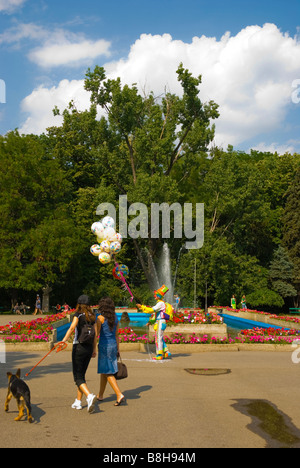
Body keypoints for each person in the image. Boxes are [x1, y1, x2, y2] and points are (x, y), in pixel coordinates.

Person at [62, 294, 97, 413]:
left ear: (79, 304)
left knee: (77, 377)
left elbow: (72, 328)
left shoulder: (78, 314)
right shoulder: (93, 316)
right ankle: (78, 402)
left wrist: (63, 341)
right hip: (88, 348)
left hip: (79, 347)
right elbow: (95, 335)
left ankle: (89, 396)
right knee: (81, 375)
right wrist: (94, 349)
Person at [96, 297, 125, 406]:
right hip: (113, 345)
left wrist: (93, 348)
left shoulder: (100, 318)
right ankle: (100, 395)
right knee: (104, 371)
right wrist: (118, 348)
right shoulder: (115, 318)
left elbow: (96, 334)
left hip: (104, 346)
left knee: (108, 371)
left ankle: (119, 394)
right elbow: (117, 334)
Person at [137, 285, 172, 361]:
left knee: (158, 338)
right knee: (160, 337)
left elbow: (151, 310)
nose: (154, 296)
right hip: (160, 322)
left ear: (159, 296)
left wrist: (142, 307)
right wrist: (150, 322)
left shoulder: (160, 303)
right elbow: (155, 315)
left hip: (160, 322)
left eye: (156, 295)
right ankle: (166, 351)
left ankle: (159, 354)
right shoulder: (161, 303)